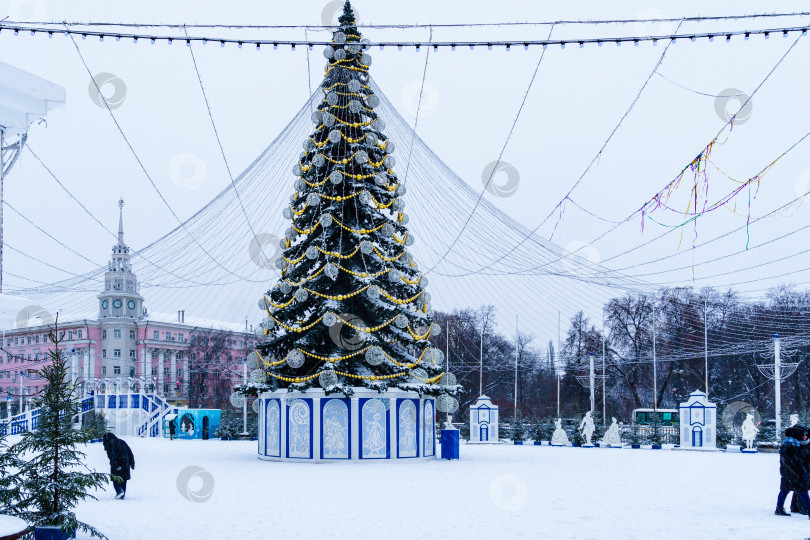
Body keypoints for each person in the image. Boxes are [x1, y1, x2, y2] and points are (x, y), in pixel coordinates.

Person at [776, 426, 810, 517]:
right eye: (803, 435)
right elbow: (796, 461)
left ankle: (779, 508)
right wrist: (802, 473)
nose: (804, 436)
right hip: (794, 474)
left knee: (785, 491)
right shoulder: (792, 445)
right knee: (803, 491)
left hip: (788, 473)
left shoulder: (789, 443)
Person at [102, 432, 135, 500]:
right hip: (126, 463)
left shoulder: (109, 444)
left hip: (117, 463)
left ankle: (119, 491)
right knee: (124, 479)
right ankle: (122, 495)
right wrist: (132, 463)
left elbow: (112, 456)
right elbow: (130, 452)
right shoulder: (122, 442)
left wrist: (115, 465)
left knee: (115, 479)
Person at [790, 425, 810, 515]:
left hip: (806, 469)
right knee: (802, 489)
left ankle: (795, 506)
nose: (805, 437)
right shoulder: (796, 445)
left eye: (806, 435)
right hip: (800, 470)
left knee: (800, 488)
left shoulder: (807, 444)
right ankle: (802, 507)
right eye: (803, 435)